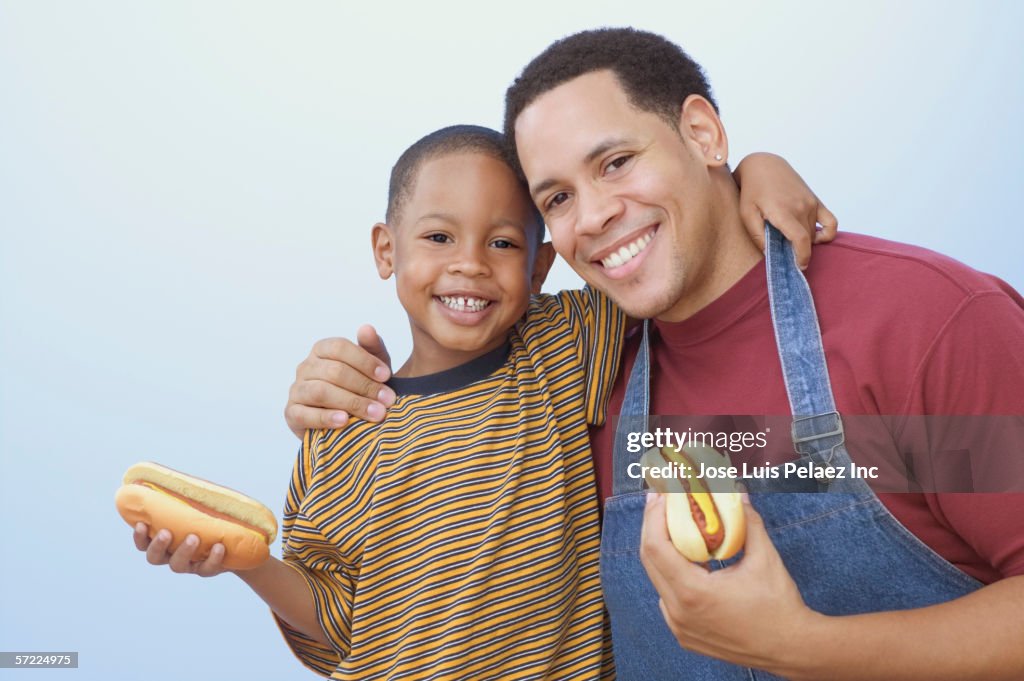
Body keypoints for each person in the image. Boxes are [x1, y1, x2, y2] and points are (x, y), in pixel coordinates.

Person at [286, 28, 1024, 680]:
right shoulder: (588, 377)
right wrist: (338, 387)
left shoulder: (917, 324)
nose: (596, 217)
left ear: (703, 134)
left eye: (615, 162)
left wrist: (804, 645)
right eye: (557, 199)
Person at [131, 123, 827, 680]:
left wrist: (750, 168)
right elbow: (339, 621)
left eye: (502, 242)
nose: (469, 262)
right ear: (386, 249)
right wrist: (248, 562)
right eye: (438, 237)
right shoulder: (338, 429)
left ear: (540, 265)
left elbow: (671, 248)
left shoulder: (563, 347)